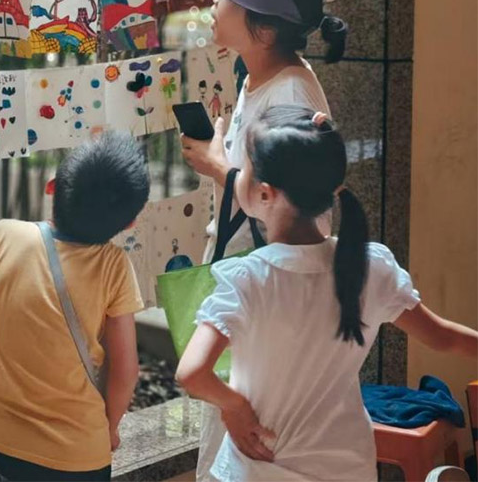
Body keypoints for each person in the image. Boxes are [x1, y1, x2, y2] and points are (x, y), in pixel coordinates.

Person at [177, 106, 478, 482]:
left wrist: (233, 406)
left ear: (265, 193)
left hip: (257, 468)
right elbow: (443, 337)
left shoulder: (249, 278)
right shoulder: (371, 267)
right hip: (347, 466)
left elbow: (192, 373)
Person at [182, 0, 347, 480]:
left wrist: (217, 167)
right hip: (249, 283)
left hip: (270, 297)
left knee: (252, 442)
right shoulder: (257, 77)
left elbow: (292, 207)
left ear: (266, 30)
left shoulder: (291, 95)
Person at [0, 132, 150, 481]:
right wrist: (110, 428)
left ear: (52, 188)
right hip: (74, 457)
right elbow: (125, 370)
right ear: (130, 222)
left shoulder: (3, 235)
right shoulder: (114, 266)